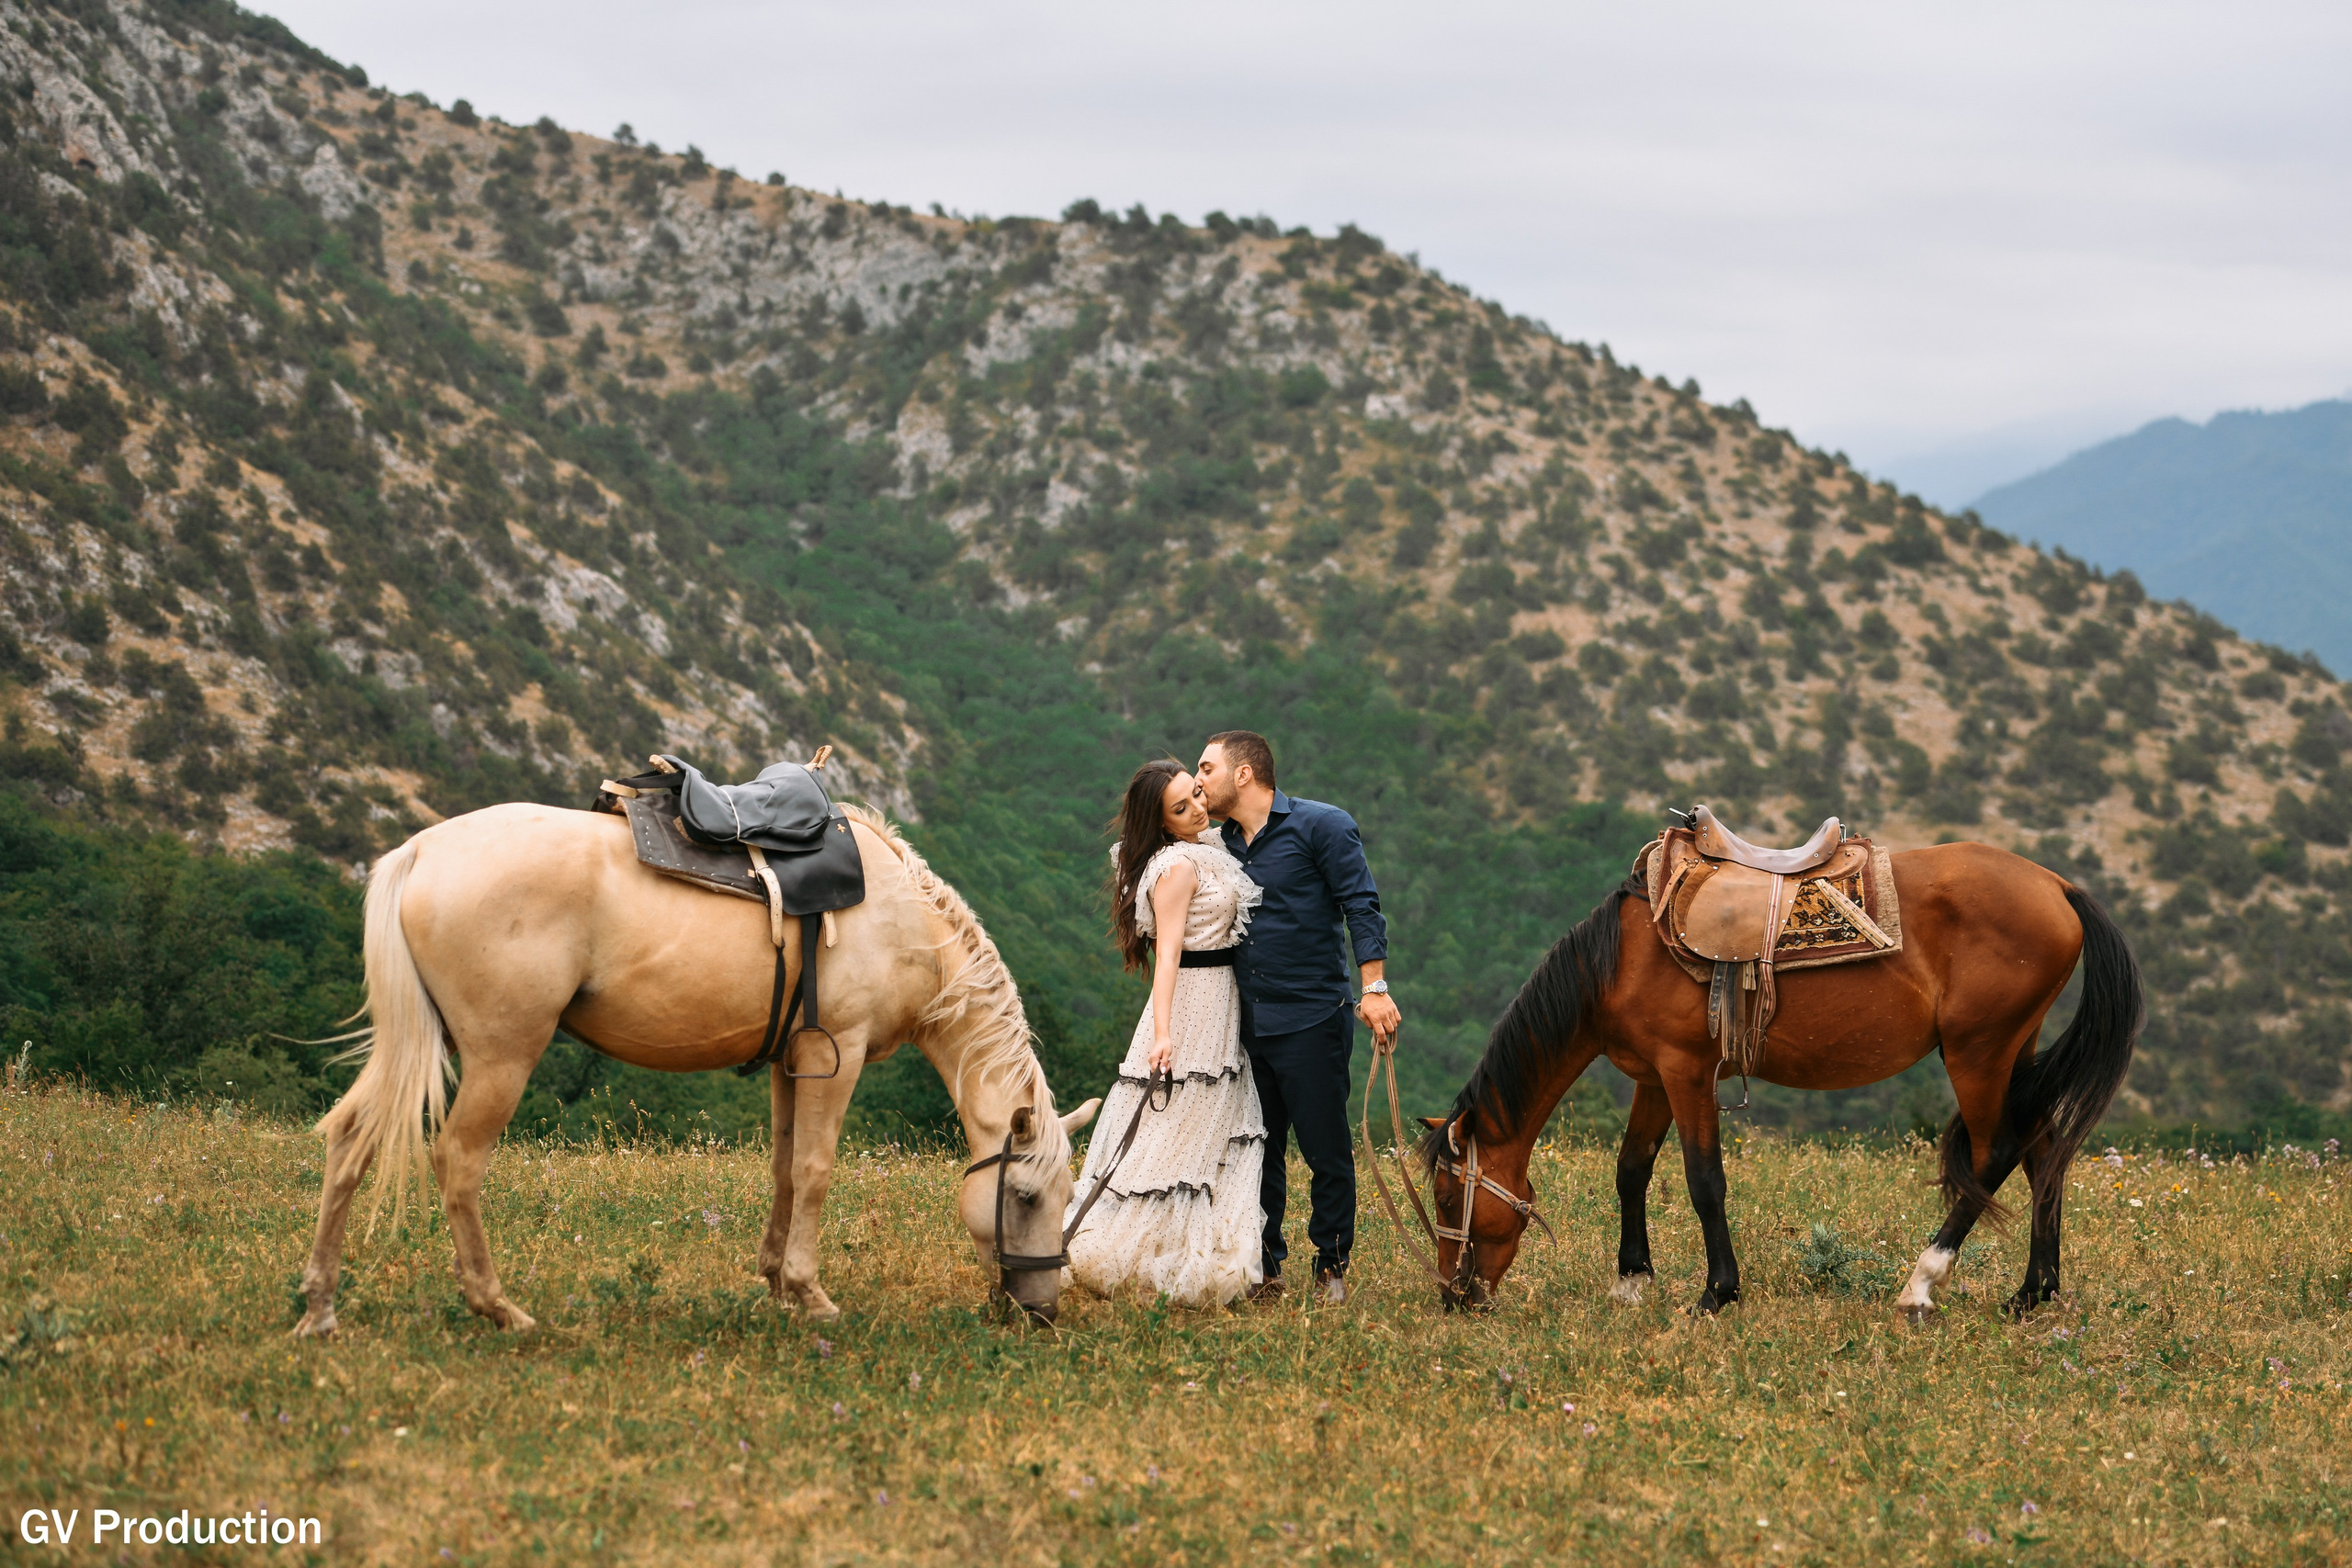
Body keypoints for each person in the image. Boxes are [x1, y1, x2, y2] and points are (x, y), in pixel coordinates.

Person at [1195, 730, 1398, 1305]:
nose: (1198, 780)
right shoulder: (1217, 843)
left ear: (1243, 775)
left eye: (1207, 768)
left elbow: (1361, 904)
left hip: (1313, 1016)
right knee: (1258, 1148)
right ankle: (1263, 1266)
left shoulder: (1322, 825)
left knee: (1324, 1149)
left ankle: (1331, 1267)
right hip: (1245, 1023)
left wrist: (1375, 988)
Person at [1063, 760, 1268, 1308]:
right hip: (1192, 1004)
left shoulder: (1212, 847)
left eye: (1197, 795)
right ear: (1162, 824)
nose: (1198, 809)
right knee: (1177, 1126)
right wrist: (1162, 1033)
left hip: (1225, 998)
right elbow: (1168, 956)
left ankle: (1209, 1249)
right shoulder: (1176, 867)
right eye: (1181, 808)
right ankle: (1144, 1251)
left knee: (1212, 1127)